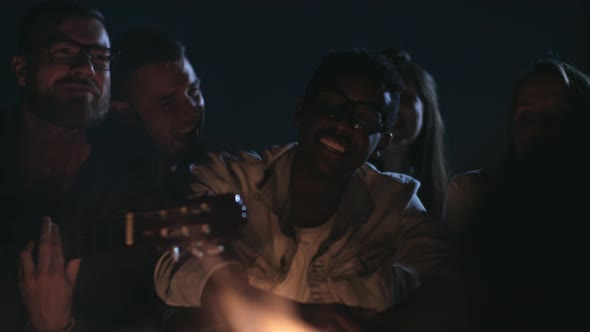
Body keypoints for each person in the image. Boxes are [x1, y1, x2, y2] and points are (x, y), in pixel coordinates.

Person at [154, 49, 465, 331]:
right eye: (330, 105)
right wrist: (291, 313)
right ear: (301, 110)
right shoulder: (229, 180)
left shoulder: (393, 203)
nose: (342, 124)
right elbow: (178, 263)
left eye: (364, 119)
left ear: (381, 142)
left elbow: (451, 275)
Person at [442, 58, 590, 330]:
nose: (541, 127)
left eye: (560, 114)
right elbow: (452, 292)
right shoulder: (474, 193)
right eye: (527, 116)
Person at [0, 1, 116, 331]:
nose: (86, 68)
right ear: (22, 70)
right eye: (63, 53)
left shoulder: (131, 182)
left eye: (101, 58)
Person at [372, 48, 449, 221]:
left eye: (406, 99)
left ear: (426, 111)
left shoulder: (450, 200)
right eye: (387, 99)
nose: (395, 109)